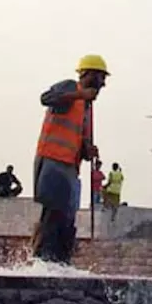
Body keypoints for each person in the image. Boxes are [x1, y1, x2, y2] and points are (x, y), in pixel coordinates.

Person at [32, 53, 108, 265]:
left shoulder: (86, 109)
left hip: (70, 168)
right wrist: (79, 95)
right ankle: (42, 262)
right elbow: (46, 98)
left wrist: (87, 150)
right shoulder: (70, 88)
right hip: (52, 161)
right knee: (54, 215)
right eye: (100, 78)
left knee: (67, 220)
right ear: (88, 74)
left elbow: (79, 141)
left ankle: (60, 263)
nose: (103, 84)